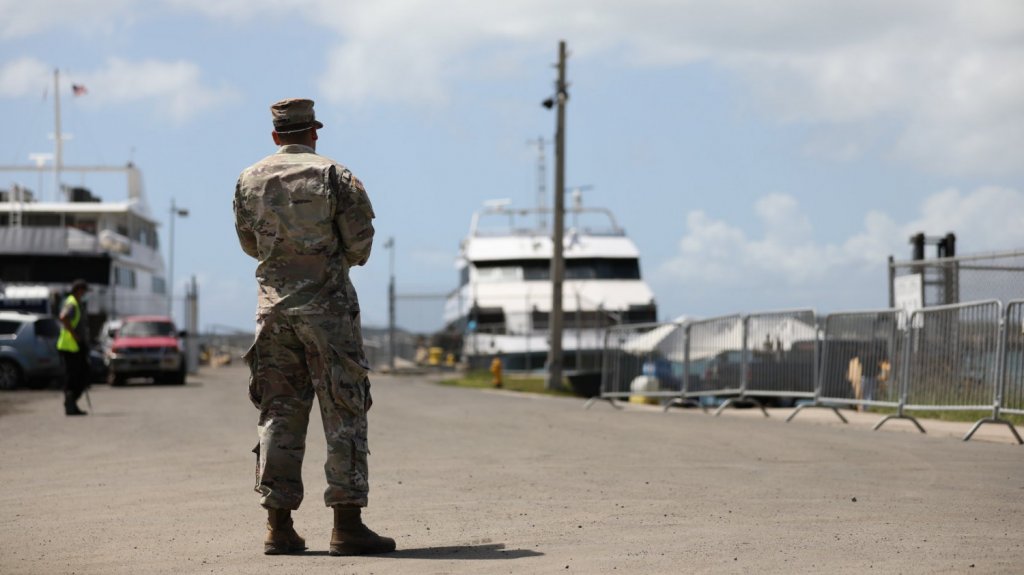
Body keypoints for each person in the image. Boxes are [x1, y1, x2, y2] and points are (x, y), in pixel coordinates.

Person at [233, 98, 395, 556]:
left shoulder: (248, 180)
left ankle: (278, 527)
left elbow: (250, 244)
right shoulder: (335, 176)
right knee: (344, 410)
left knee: (279, 412)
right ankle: (347, 524)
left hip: (273, 314)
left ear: (275, 135)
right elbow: (360, 245)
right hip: (328, 311)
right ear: (314, 132)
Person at [56, 279, 91, 416]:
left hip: (76, 346)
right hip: (70, 346)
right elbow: (63, 317)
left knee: (81, 375)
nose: (85, 294)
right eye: (84, 291)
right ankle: (70, 404)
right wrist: (75, 335)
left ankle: (72, 403)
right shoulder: (72, 302)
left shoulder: (77, 302)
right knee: (74, 377)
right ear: (79, 290)